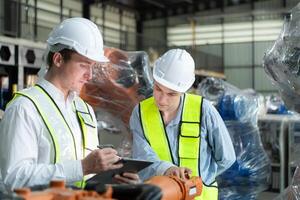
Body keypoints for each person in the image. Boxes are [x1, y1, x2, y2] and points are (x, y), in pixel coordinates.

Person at [0, 17, 139, 190]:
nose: (89, 75)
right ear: (58, 60)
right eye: (83, 65)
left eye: (92, 67)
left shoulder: (84, 109)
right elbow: (13, 177)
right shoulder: (25, 108)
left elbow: (86, 175)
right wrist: (82, 167)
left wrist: (113, 177)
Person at [130, 48, 236, 199]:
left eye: (171, 94)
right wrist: (168, 170)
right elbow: (141, 158)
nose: (162, 99)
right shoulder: (140, 113)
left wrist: (201, 179)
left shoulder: (203, 110)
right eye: (158, 89)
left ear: (184, 90)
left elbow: (226, 158)